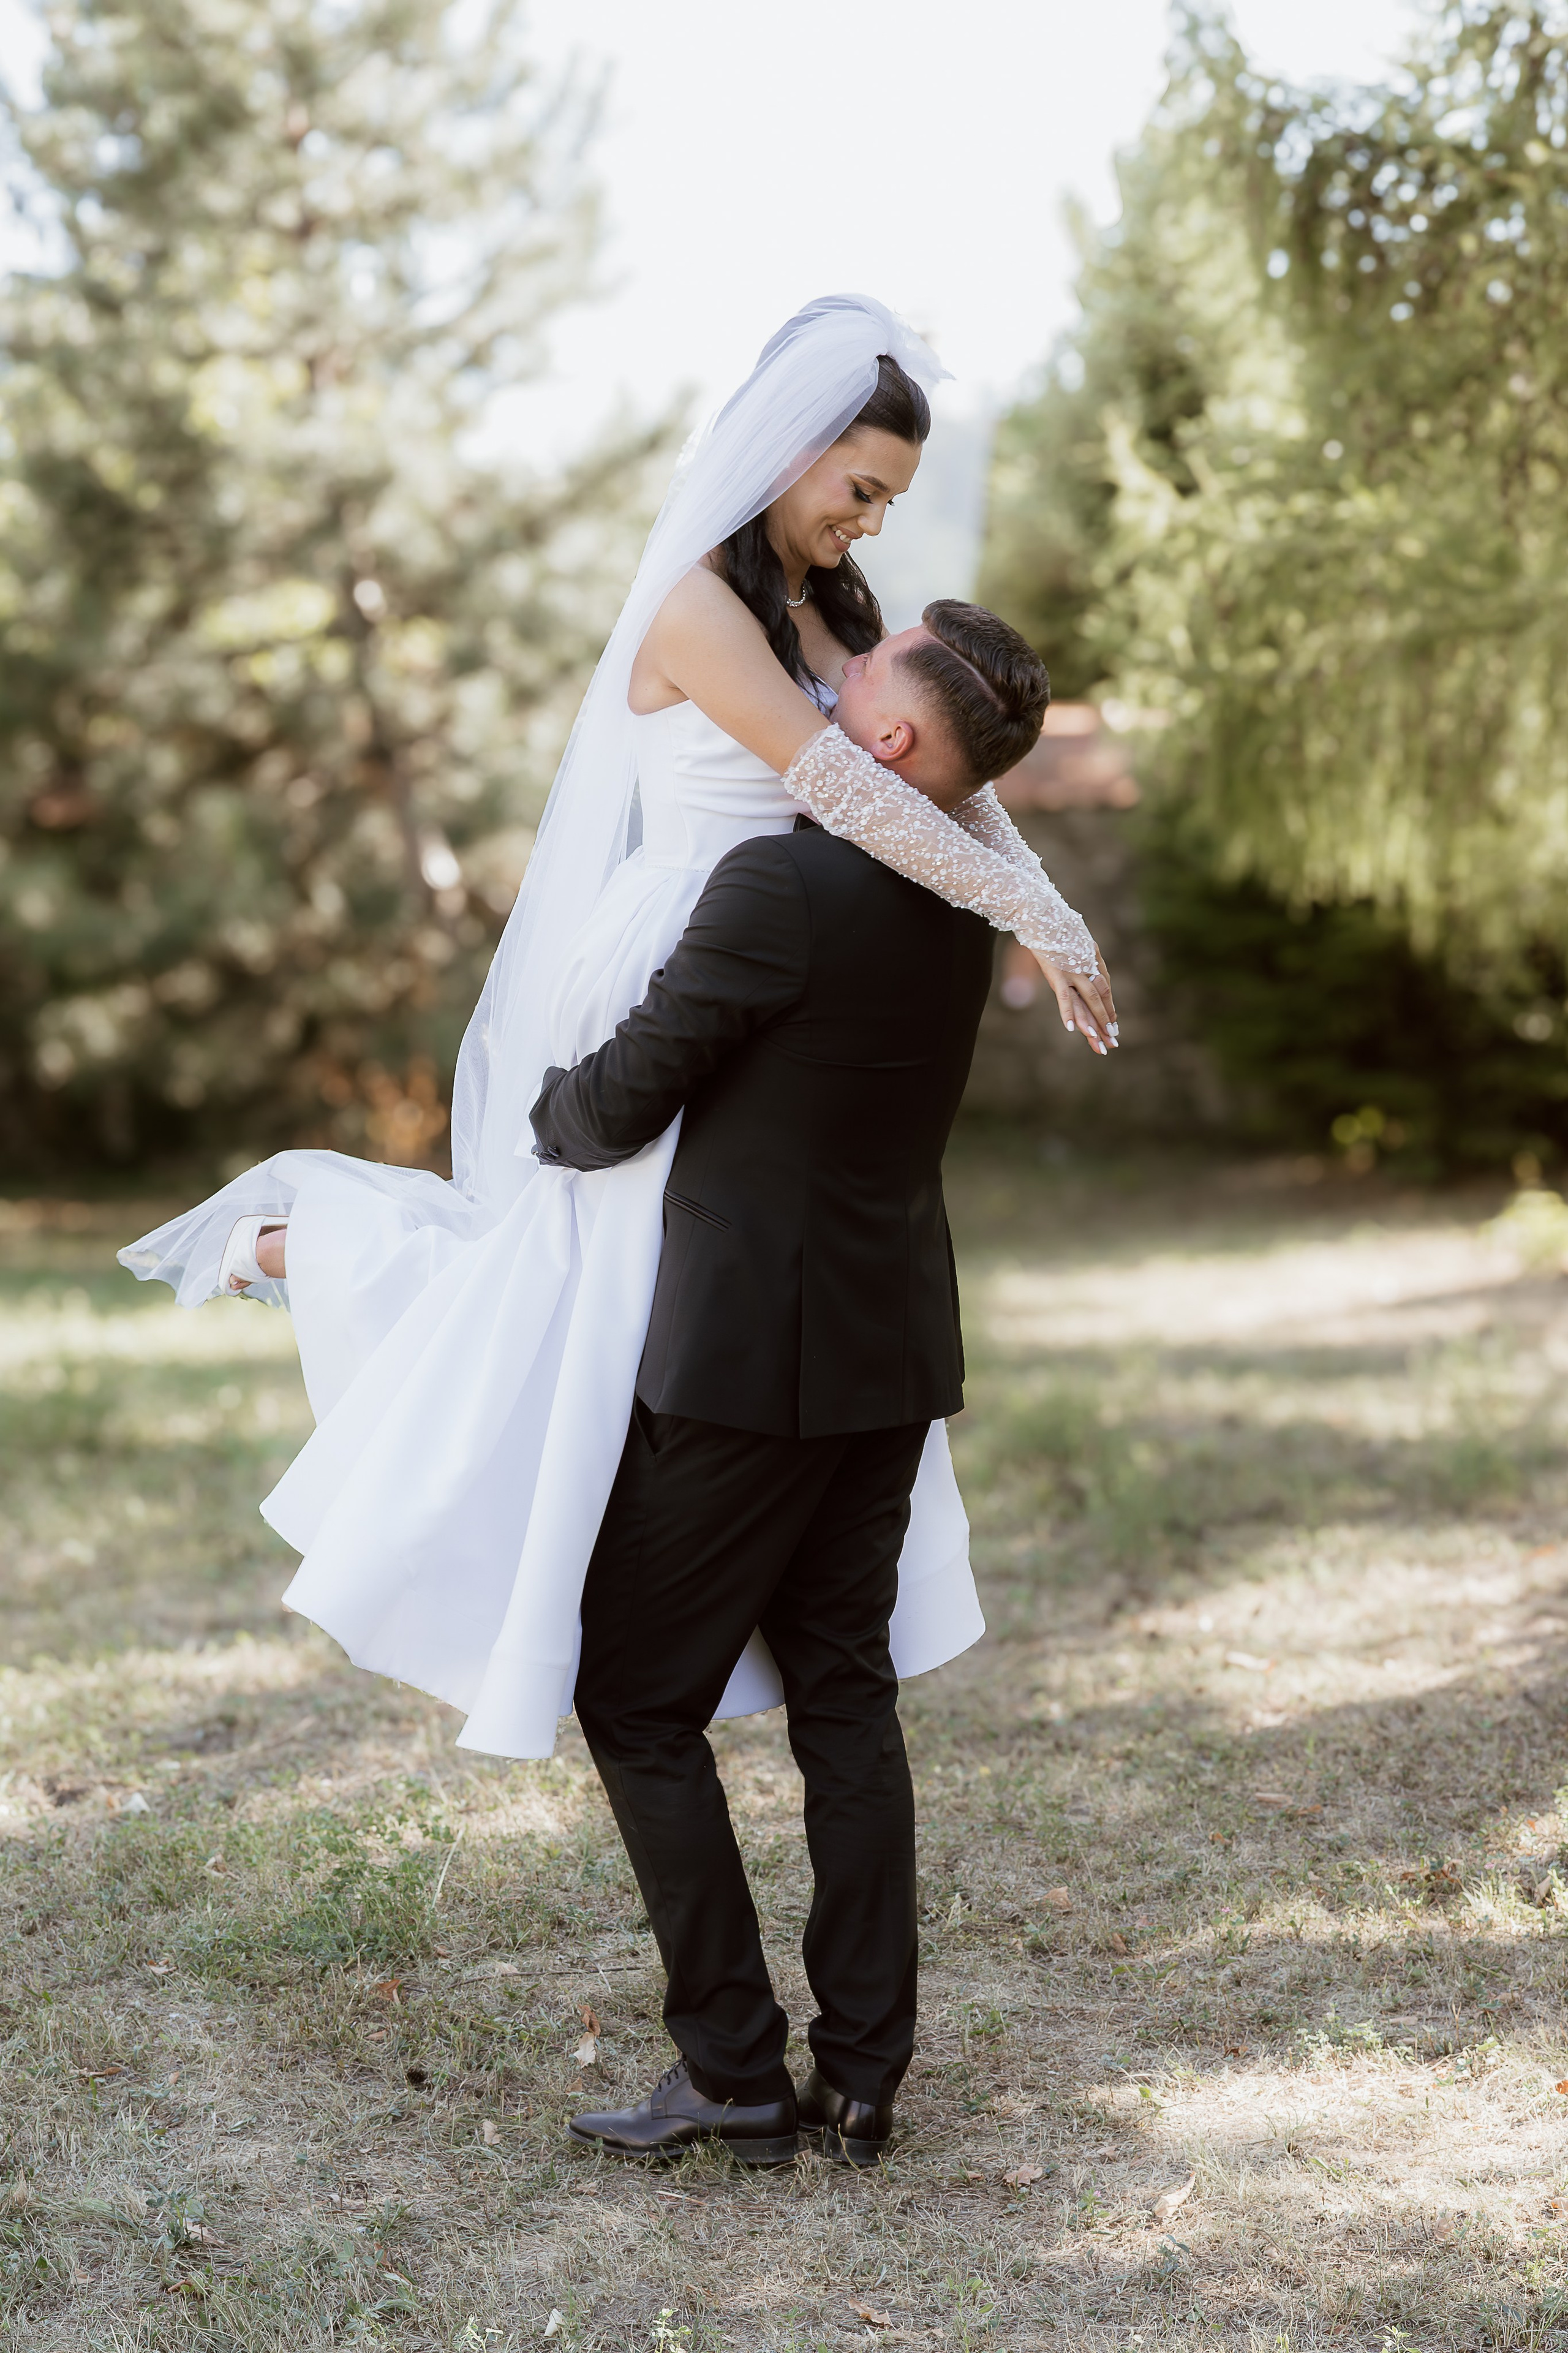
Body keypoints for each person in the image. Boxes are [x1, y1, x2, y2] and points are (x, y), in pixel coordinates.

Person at [119, 295, 1113, 1765]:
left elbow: (939, 788)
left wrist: (1051, 903)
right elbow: (843, 791)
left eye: (891, 502)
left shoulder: (841, 614)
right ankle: (307, 1253)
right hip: (672, 951)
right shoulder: (693, 608)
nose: (871, 528)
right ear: (789, 451)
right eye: (859, 491)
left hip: (774, 952)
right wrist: (1028, 921)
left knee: (653, 1291)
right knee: (576, 1289)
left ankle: (684, 1587)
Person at [532, 602, 1048, 2169]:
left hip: (751, 1366)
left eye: (853, 678)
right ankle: (866, 2071)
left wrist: (533, 1106)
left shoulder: (781, 882)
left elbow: (615, 1105)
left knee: (632, 1694)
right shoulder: (957, 905)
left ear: (885, 745)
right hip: (888, 1354)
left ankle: (734, 2069)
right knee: (842, 1695)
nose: (824, 684)